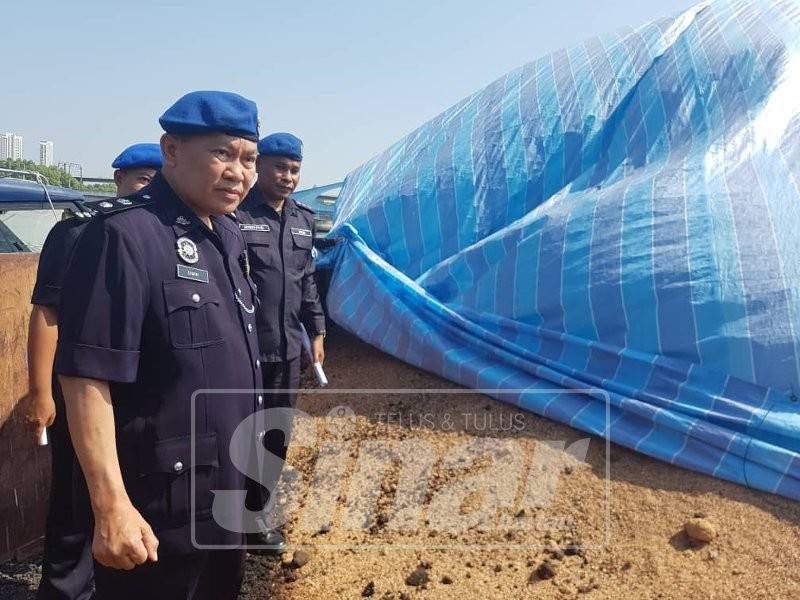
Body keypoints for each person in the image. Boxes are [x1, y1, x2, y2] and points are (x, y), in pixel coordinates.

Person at [53, 91, 262, 600]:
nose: (239, 172)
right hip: (157, 513)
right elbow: (85, 375)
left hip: (224, 498)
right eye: (221, 154)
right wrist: (111, 507)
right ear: (170, 149)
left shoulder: (228, 236)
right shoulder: (123, 236)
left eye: (248, 158)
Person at [23, 143, 163, 600]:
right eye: (143, 179)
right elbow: (47, 313)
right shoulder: (79, 232)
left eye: (158, 180)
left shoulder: (166, 233)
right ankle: (64, 590)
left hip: (141, 397)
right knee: (77, 501)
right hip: (84, 390)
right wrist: (41, 393)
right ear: (118, 178)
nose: (150, 189)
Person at [234, 132, 326, 552]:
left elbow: (306, 282)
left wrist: (318, 331)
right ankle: (223, 522)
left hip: (287, 350)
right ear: (258, 167)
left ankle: (256, 521)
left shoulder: (304, 220)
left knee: (275, 438)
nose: (288, 177)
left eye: (294, 170)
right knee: (233, 435)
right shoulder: (234, 216)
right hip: (243, 351)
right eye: (279, 168)